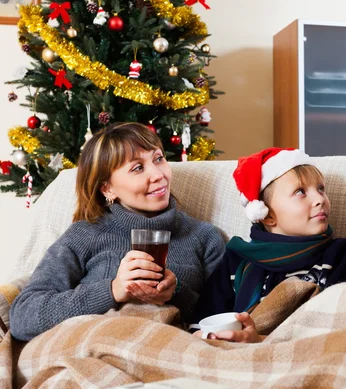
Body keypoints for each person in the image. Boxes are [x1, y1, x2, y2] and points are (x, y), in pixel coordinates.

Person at [10, 122, 225, 341]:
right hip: (94, 354)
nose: (158, 175)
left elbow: (223, 318)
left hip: (168, 354)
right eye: (138, 168)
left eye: (158, 159)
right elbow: (23, 316)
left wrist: (177, 291)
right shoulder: (84, 235)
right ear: (107, 188)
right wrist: (113, 290)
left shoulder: (205, 237)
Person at [192, 147, 346, 342]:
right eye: (301, 192)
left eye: (321, 189)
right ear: (266, 215)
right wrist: (208, 336)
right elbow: (202, 323)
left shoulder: (340, 254)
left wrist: (259, 341)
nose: (320, 199)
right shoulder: (236, 260)